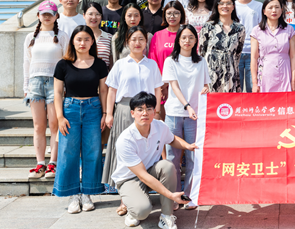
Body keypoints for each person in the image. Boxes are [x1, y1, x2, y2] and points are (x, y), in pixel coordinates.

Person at [112, 92, 197, 229]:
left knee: (167, 166)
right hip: (129, 179)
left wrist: (188, 146)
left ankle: (166, 216)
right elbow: (142, 176)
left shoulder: (160, 126)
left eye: (149, 109)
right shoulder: (125, 140)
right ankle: (133, 211)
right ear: (132, 113)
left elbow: (172, 139)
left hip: (150, 171)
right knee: (142, 211)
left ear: (154, 111)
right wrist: (171, 195)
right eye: (140, 110)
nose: (144, 113)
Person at [103, 26, 163, 216]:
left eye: (141, 39)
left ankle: (142, 191)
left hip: (146, 112)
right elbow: (112, 90)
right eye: (133, 39)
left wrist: (156, 111)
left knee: (145, 151)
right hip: (124, 111)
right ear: (127, 42)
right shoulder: (120, 64)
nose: (137, 43)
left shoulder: (152, 65)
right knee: (124, 153)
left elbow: (158, 89)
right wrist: (109, 113)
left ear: (146, 42)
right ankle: (125, 198)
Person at [53, 25, 108, 213]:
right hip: (70, 109)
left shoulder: (100, 64)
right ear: (73, 42)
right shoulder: (63, 64)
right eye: (79, 39)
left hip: (93, 109)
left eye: (86, 39)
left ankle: (87, 193)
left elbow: (103, 91)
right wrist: (60, 116)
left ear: (92, 42)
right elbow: (57, 92)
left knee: (93, 151)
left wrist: (105, 113)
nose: (82, 43)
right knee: (68, 152)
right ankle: (73, 194)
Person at [162, 25, 210, 210]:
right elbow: (174, 86)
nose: (187, 41)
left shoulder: (201, 61)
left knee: (193, 156)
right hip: (175, 113)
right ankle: (175, 196)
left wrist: (205, 89)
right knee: (173, 157)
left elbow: (205, 84)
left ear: (196, 40)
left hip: (195, 115)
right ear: (178, 40)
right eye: (184, 37)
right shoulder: (170, 61)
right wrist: (187, 106)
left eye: (191, 37)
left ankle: (190, 195)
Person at [23, 1, 68, 180]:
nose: (47, 16)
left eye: (50, 13)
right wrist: (26, 86)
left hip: (55, 83)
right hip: (35, 83)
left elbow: (66, 62)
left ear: (56, 16)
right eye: (44, 14)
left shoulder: (62, 36)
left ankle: (53, 163)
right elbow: (27, 62)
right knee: (38, 125)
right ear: (38, 16)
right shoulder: (30, 37)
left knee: (54, 124)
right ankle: (40, 163)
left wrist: (66, 85)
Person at [198, 0, 246, 92]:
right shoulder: (208, 27)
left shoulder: (240, 29)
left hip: (230, 75)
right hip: (211, 75)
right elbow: (201, 53)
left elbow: (237, 54)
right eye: (221, 3)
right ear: (217, 6)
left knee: (229, 101)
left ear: (233, 7)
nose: (225, 6)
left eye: (228, 3)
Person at [250, 0, 295, 92]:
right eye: (270, 8)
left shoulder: (289, 29)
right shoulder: (257, 31)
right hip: (266, 74)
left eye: (277, 7)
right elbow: (254, 58)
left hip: (285, 73)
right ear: (264, 11)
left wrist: (293, 80)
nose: (274, 10)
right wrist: (255, 83)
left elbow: (293, 57)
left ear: (282, 10)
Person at [235, 0, 263, 92]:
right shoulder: (232, 6)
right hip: (236, 52)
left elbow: (262, 28)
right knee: (237, 87)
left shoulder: (259, 6)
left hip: (253, 53)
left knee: (253, 87)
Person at [83, 2, 113, 70]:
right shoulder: (78, 37)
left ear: (101, 16)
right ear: (84, 15)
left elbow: (111, 63)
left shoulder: (109, 37)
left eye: (97, 14)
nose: (94, 17)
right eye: (90, 14)